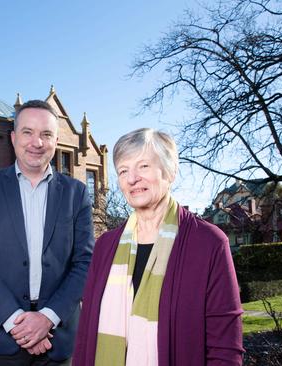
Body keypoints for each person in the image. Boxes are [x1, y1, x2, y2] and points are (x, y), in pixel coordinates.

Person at [73, 128, 244, 365]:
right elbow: (85, 335)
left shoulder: (208, 243)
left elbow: (225, 348)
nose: (132, 178)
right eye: (123, 170)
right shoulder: (105, 246)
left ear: (171, 171)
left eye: (143, 166)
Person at [0, 99, 95, 365]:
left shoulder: (76, 193)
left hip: (57, 339)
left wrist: (47, 318)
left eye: (46, 134)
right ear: (13, 138)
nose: (37, 142)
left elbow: (85, 263)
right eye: (28, 132)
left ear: (56, 141)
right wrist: (17, 323)